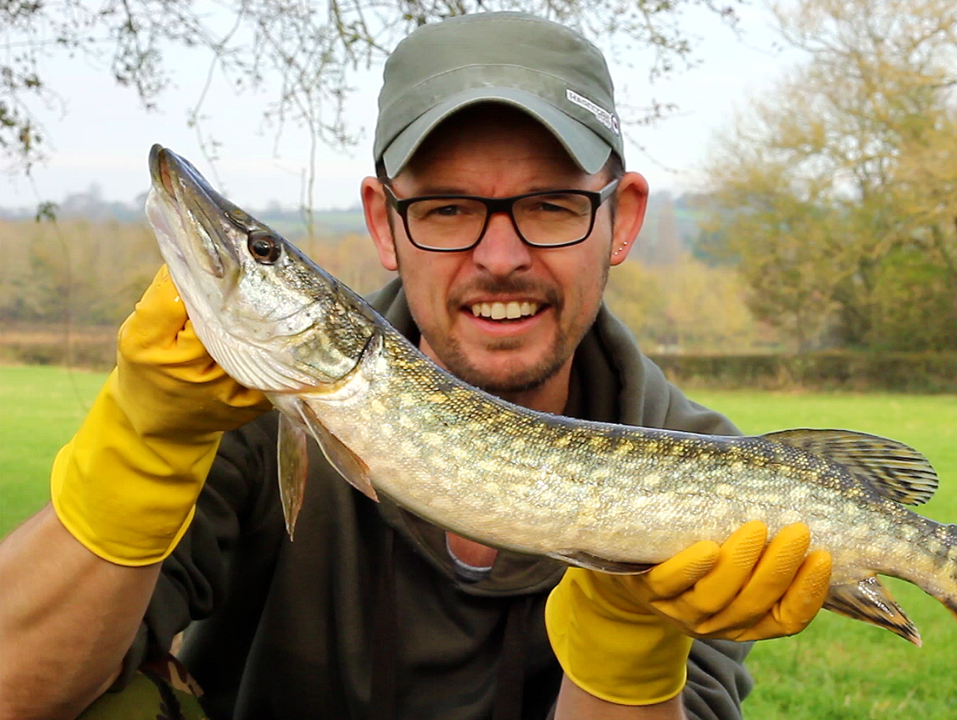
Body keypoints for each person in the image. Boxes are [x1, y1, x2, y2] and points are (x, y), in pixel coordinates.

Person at [0, 12, 832, 720]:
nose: (500, 257)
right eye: (447, 209)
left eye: (551, 205)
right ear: (383, 222)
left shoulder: (719, 473)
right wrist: (138, 446)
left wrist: (630, 645)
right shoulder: (233, 419)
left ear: (623, 219)